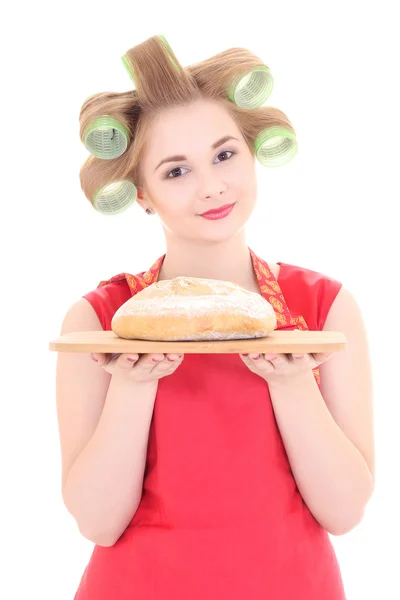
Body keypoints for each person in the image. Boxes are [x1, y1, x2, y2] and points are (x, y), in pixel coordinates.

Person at [56, 35, 375, 600]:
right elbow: (97, 523)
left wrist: (293, 381)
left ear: (253, 154)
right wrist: (132, 385)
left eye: (225, 154)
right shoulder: (97, 321)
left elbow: (345, 511)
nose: (212, 186)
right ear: (142, 195)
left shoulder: (323, 308)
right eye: (176, 171)